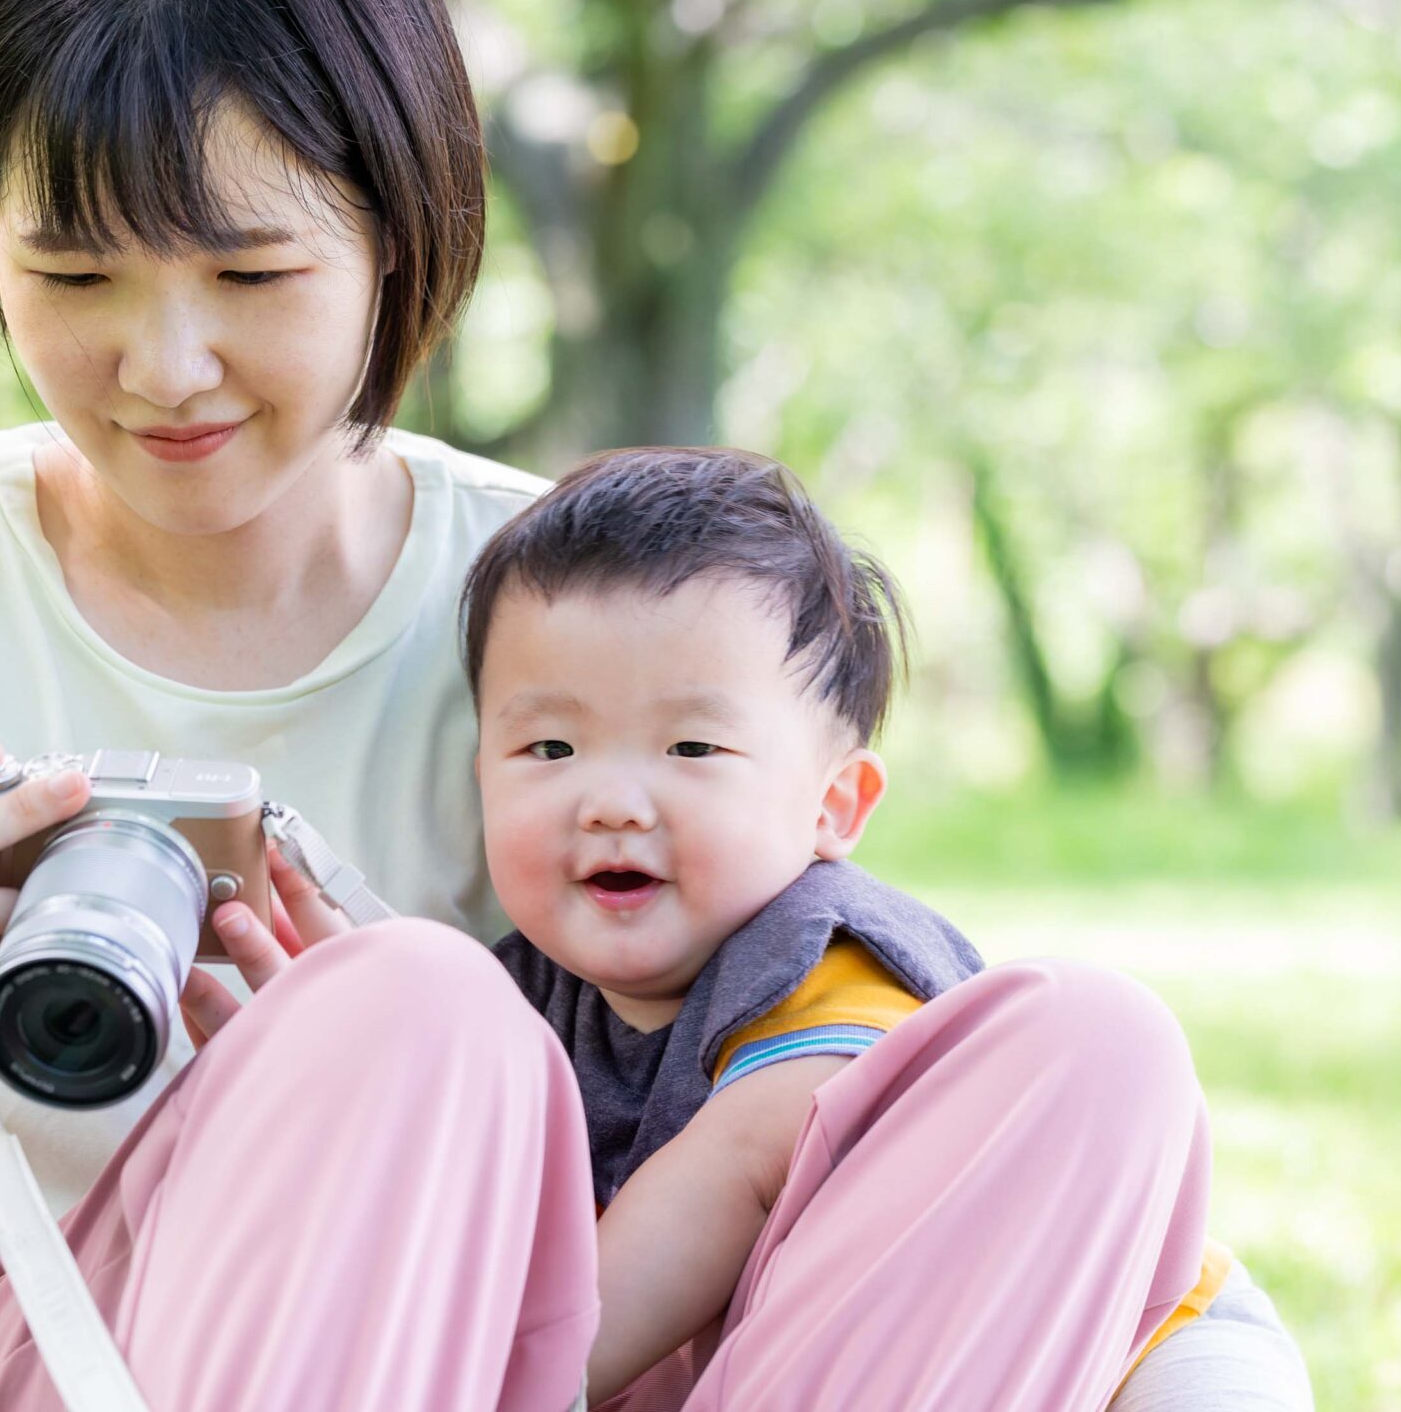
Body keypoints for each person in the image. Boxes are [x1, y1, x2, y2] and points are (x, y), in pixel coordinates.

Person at [0, 0, 1307, 1411]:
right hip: (47, 1356)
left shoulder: (561, 602)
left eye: (252, 267)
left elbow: (824, 1076)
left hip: (548, 1354)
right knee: (419, 1013)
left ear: (397, 218)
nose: (163, 363)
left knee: (1094, 1041)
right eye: (75, 269)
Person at [464, 446, 1259, 1409]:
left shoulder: (823, 956)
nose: (613, 801)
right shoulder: (515, 1000)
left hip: (1125, 1341)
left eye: (692, 746)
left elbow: (705, 1207)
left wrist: (458, 1384)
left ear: (834, 805)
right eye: (550, 745)